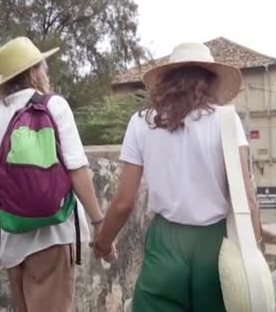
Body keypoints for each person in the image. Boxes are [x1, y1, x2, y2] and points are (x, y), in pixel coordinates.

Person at [93, 42, 266, 311]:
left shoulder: (141, 122)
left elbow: (124, 202)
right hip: (216, 246)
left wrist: (103, 243)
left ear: (166, 82)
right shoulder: (227, 121)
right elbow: (245, 195)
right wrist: (252, 249)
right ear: (210, 82)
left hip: (166, 243)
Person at [0, 37, 105, 312]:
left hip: (9, 244)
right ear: (33, 72)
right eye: (44, 66)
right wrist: (99, 221)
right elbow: (77, 169)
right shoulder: (53, 106)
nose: (48, 72)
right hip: (51, 238)